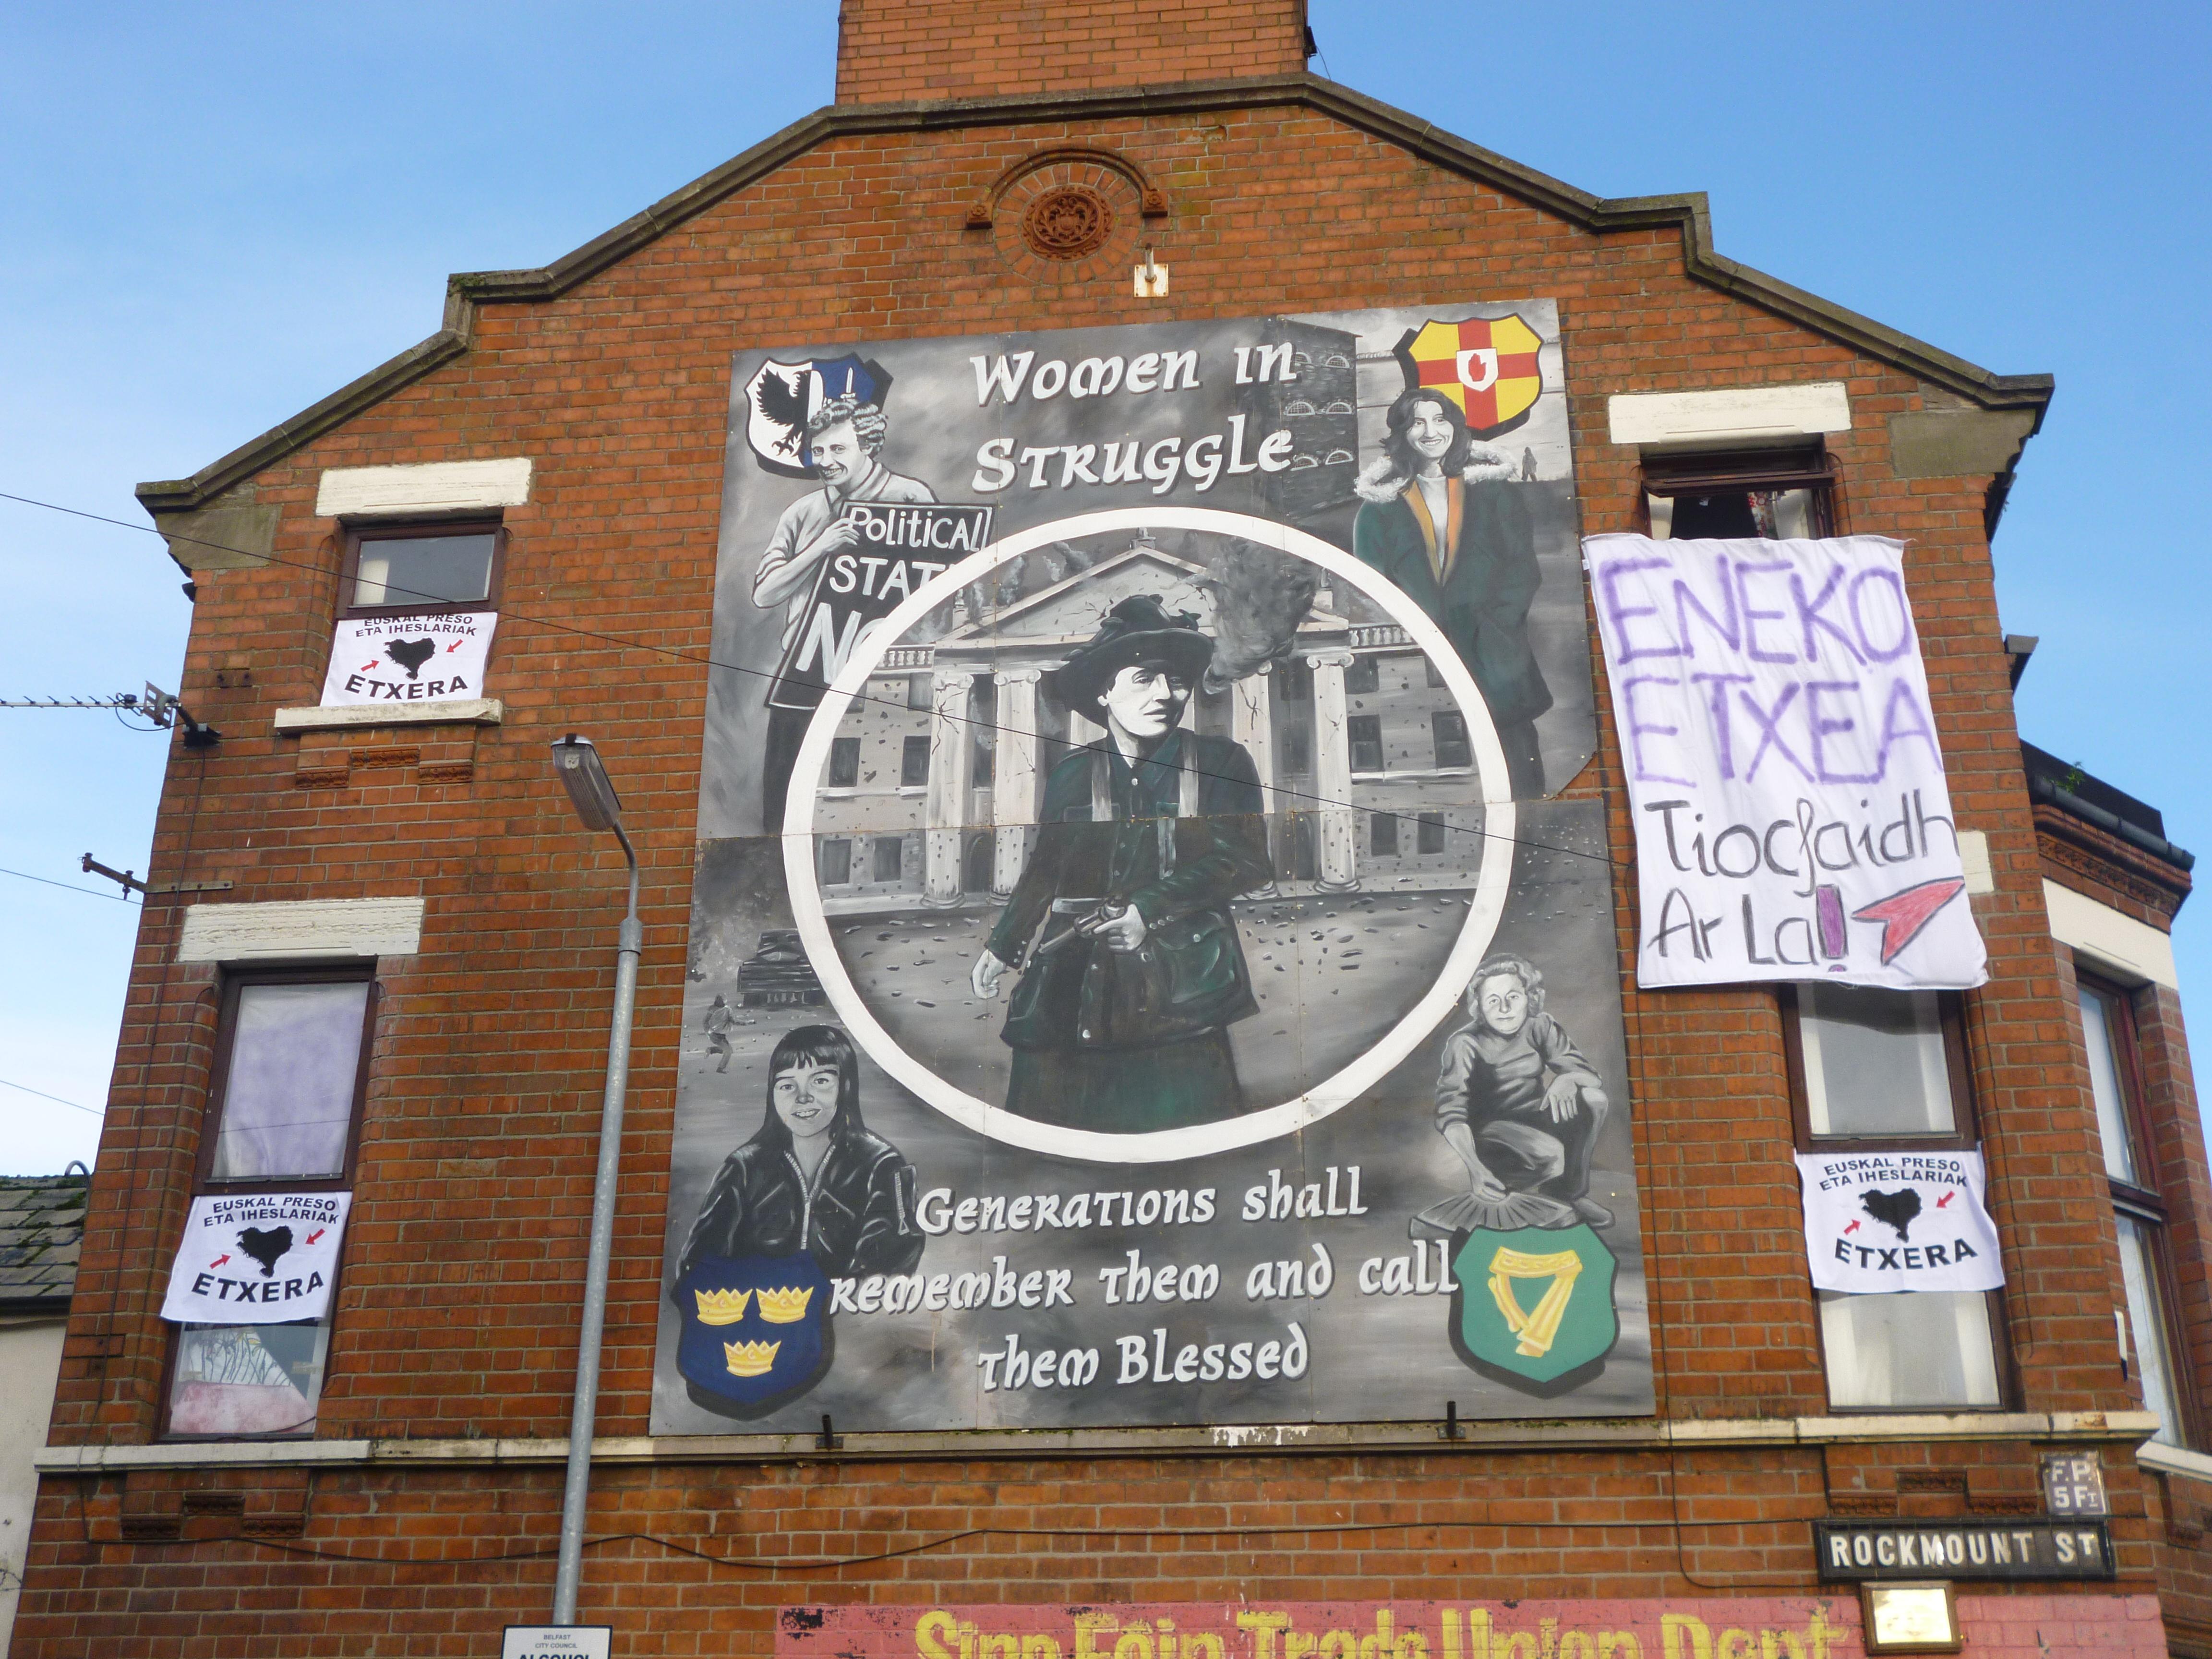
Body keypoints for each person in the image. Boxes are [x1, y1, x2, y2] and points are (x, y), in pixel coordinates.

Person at [971, 596, 1272, 1133]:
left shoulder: (1223, 762)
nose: (1166, 695)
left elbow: (1246, 861)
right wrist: (1004, 944)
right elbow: (1046, 869)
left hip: (1180, 989)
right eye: (1145, 679)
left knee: (1182, 1127)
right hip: (1069, 982)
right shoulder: (1071, 774)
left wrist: (1147, 911)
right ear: (1104, 693)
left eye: (1176, 681)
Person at [1352, 386, 1551, 799]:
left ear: (1456, 427)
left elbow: (1522, 570)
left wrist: (1496, 625)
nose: (1431, 432)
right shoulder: (1378, 510)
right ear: (1402, 433)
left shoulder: (1495, 493)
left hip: (1493, 651)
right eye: (1417, 423)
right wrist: (1417, 632)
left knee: (1516, 763)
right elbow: (1370, 587)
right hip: (1422, 657)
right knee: (1434, 762)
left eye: (1440, 420)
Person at [750, 396, 936, 833]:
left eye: (838, 449)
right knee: (786, 809)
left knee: (886, 802)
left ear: (867, 445)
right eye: (818, 451)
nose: (825, 461)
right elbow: (764, 594)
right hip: (807, 671)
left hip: (886, 674)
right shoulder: (803, 513)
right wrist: (821, 547)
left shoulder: (911, 498)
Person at [676, 1025, 924, 1281]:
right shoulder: (744, 1168)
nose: (803, 1097)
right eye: (787, 1086)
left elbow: (891, 1264)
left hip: (844, 1306)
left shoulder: (881, 1165)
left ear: (846, 1087)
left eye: (820, 1081)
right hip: (757, 1306)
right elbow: (696, 1265)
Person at [1434, 954, 1612, 1227]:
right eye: (1493, 1000)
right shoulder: (1465, 1043)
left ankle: (1569, 1195)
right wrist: (1476, 1170)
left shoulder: (1540, 1025)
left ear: (1529, 998)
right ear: (1480, 1006)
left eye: (1513, 997)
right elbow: (1451, 1114)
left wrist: (1568, 1079)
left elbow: (1591, 1078)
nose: (1505, 1008)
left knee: (1594, 1099)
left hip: (1534, 1118)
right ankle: (1518, 1199)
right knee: (1552, 1155)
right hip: (1489, 1132)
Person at [702, 994, 738, 1073]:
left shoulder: (727, 1009)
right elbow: (706, 1021)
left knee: (729, 1051)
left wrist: (739, 1022)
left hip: (721, 1034)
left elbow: (732, 1020)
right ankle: (720, 1068)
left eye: (721, 1000)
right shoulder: (712, 1009)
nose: (720, 1002)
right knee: (728, 1051)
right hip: (714, 1034)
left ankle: (711, 1050)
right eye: (718, 1000)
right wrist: (708, 1030)